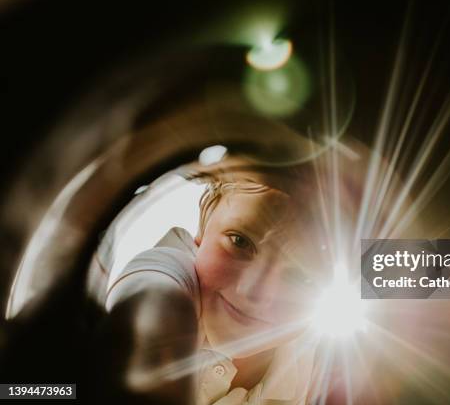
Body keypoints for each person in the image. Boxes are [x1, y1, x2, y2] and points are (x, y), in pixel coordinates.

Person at [105, 156, 329, 405]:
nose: (254, 292)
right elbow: (152, 288)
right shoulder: (174, 274)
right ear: (204, 221)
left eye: (302, 276)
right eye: (240, 241)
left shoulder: (303, 364)